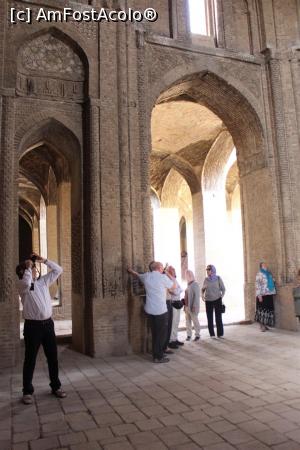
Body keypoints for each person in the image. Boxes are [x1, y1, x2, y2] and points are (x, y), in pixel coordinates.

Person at [16, 253, 66, 405]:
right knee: (30, 359)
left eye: (34, 269)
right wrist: (27, 268)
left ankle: (55, 387)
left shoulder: (43, 282)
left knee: (52, 357)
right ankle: (27, 391)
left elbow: (59, 270)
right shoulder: (23, 285)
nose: (34, 270)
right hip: (33, 327)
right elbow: (26, 283)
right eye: (31, 269)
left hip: (47, 325)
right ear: (23, 272)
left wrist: (43, 260)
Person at [127, 261, 176, 363]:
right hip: (160, 311)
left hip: (150, 310)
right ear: (159, 268)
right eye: (162, 267)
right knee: (161, 335)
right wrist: (168, 274)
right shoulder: (162, 277)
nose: (163, 268)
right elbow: (174, 286)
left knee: (154, 333)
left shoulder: (146, 276)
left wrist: (130, 271)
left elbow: (137, 275)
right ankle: (158, 357)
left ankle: (156, 354)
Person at [201, 265, 225, 338]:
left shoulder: (218, 278)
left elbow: (223, 289)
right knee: (209, 317)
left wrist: (221, 296)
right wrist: (202, 295)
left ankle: (220, 334)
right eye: (207, 270)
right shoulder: (206, 279)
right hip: (208, 301)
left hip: (217, 300)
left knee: (218, 317)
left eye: (209, 270)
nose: (207, 271)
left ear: (213, 270)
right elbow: (202, 289)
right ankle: (212, 334)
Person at [166, 266, 184, 349]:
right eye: (172, 270)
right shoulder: (168, 280)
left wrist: (177, 290)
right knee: (172, 323)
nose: (174, 271)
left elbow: (180, 289)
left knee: (176, 322)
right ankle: (170, 341)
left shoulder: (174, 279)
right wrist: (177, 291)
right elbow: (175, 291)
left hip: (178, 303)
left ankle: (175, 338)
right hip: (172, 303)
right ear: (169, 271)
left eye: (174, 270)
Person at [255, 262, 276, 332]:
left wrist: (272, 280)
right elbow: (257, 285)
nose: (265, 265)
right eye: (263, 265)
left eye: (265, 264)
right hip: (262, 295)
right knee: (262, 310)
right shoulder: (259, 274)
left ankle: (266, 325)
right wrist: (259, 295)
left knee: (268, 310)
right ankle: (262, 326)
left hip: (269, 294)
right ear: (261, 266)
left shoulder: (268, 273)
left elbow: (271, 281)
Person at [184, 270, 201, 341]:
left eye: (188, 275)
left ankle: (197, 334)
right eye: (186, 275)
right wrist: (185, 306)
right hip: (187, 306)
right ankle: (189, 335)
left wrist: (194, 306)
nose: (186, 276)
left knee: (195, 321)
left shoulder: (195, 284)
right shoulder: (188, 284)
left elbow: (196, 296)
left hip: (193, 307)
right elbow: (186, 296)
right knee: (188, 321)